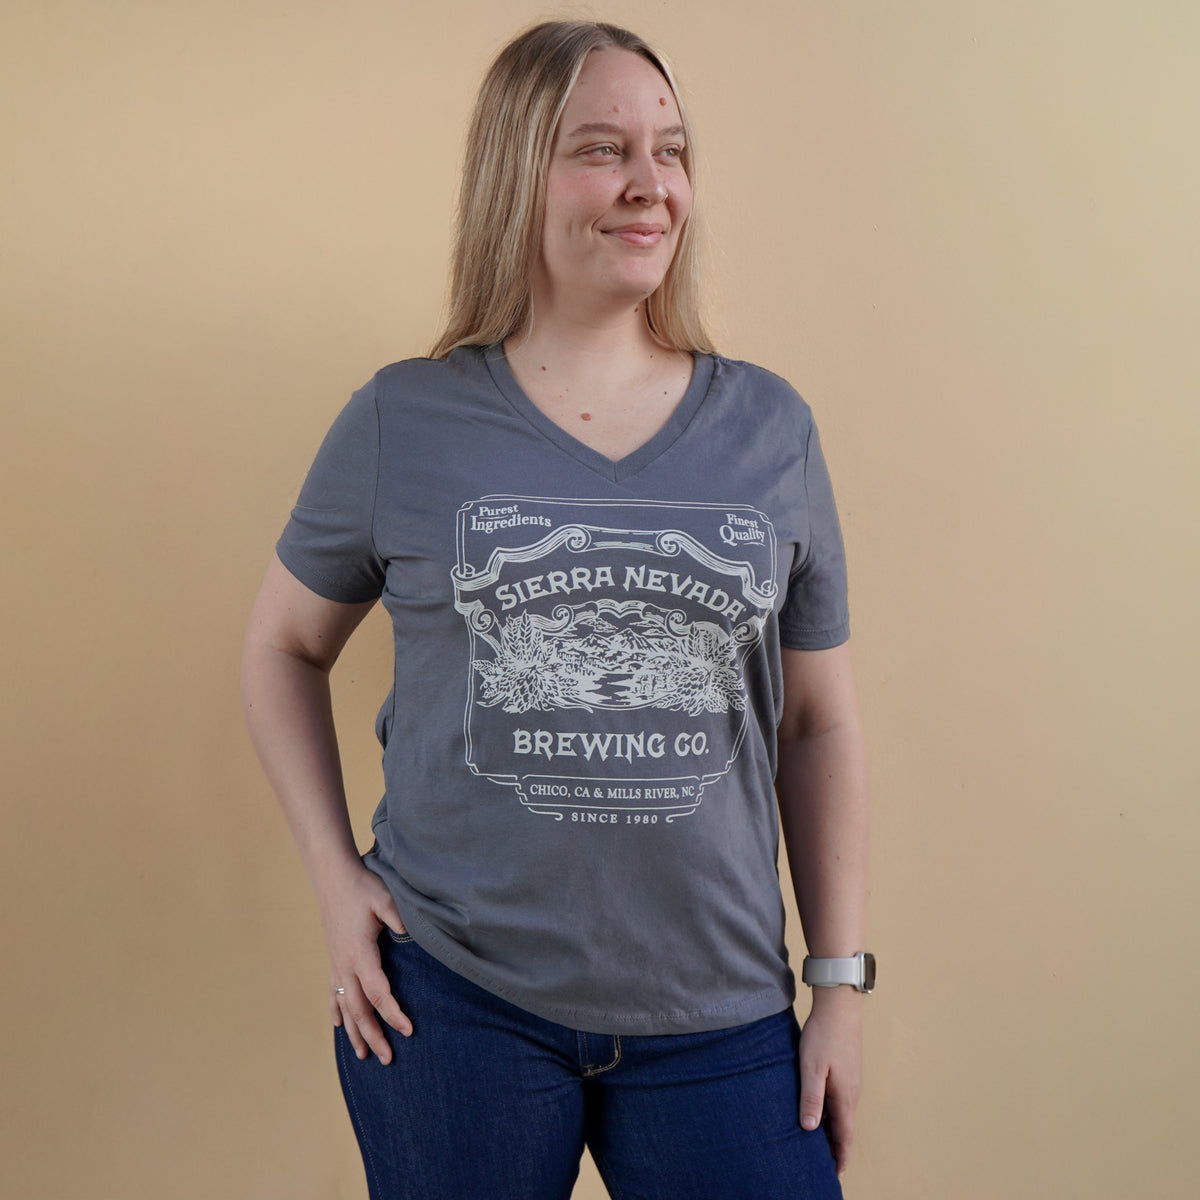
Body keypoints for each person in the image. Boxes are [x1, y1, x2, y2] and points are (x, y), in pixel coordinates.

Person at [242, 20, 870, 1200]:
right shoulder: (401, 421)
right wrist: (335, 882)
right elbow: (281, 646)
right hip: (453, 1005)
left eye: (671, 150)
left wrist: (836, 985)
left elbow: (817, 724)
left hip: (722, 1018)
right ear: (515, 173)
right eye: (602, 149)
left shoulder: (770, 430)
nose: (651, 184)